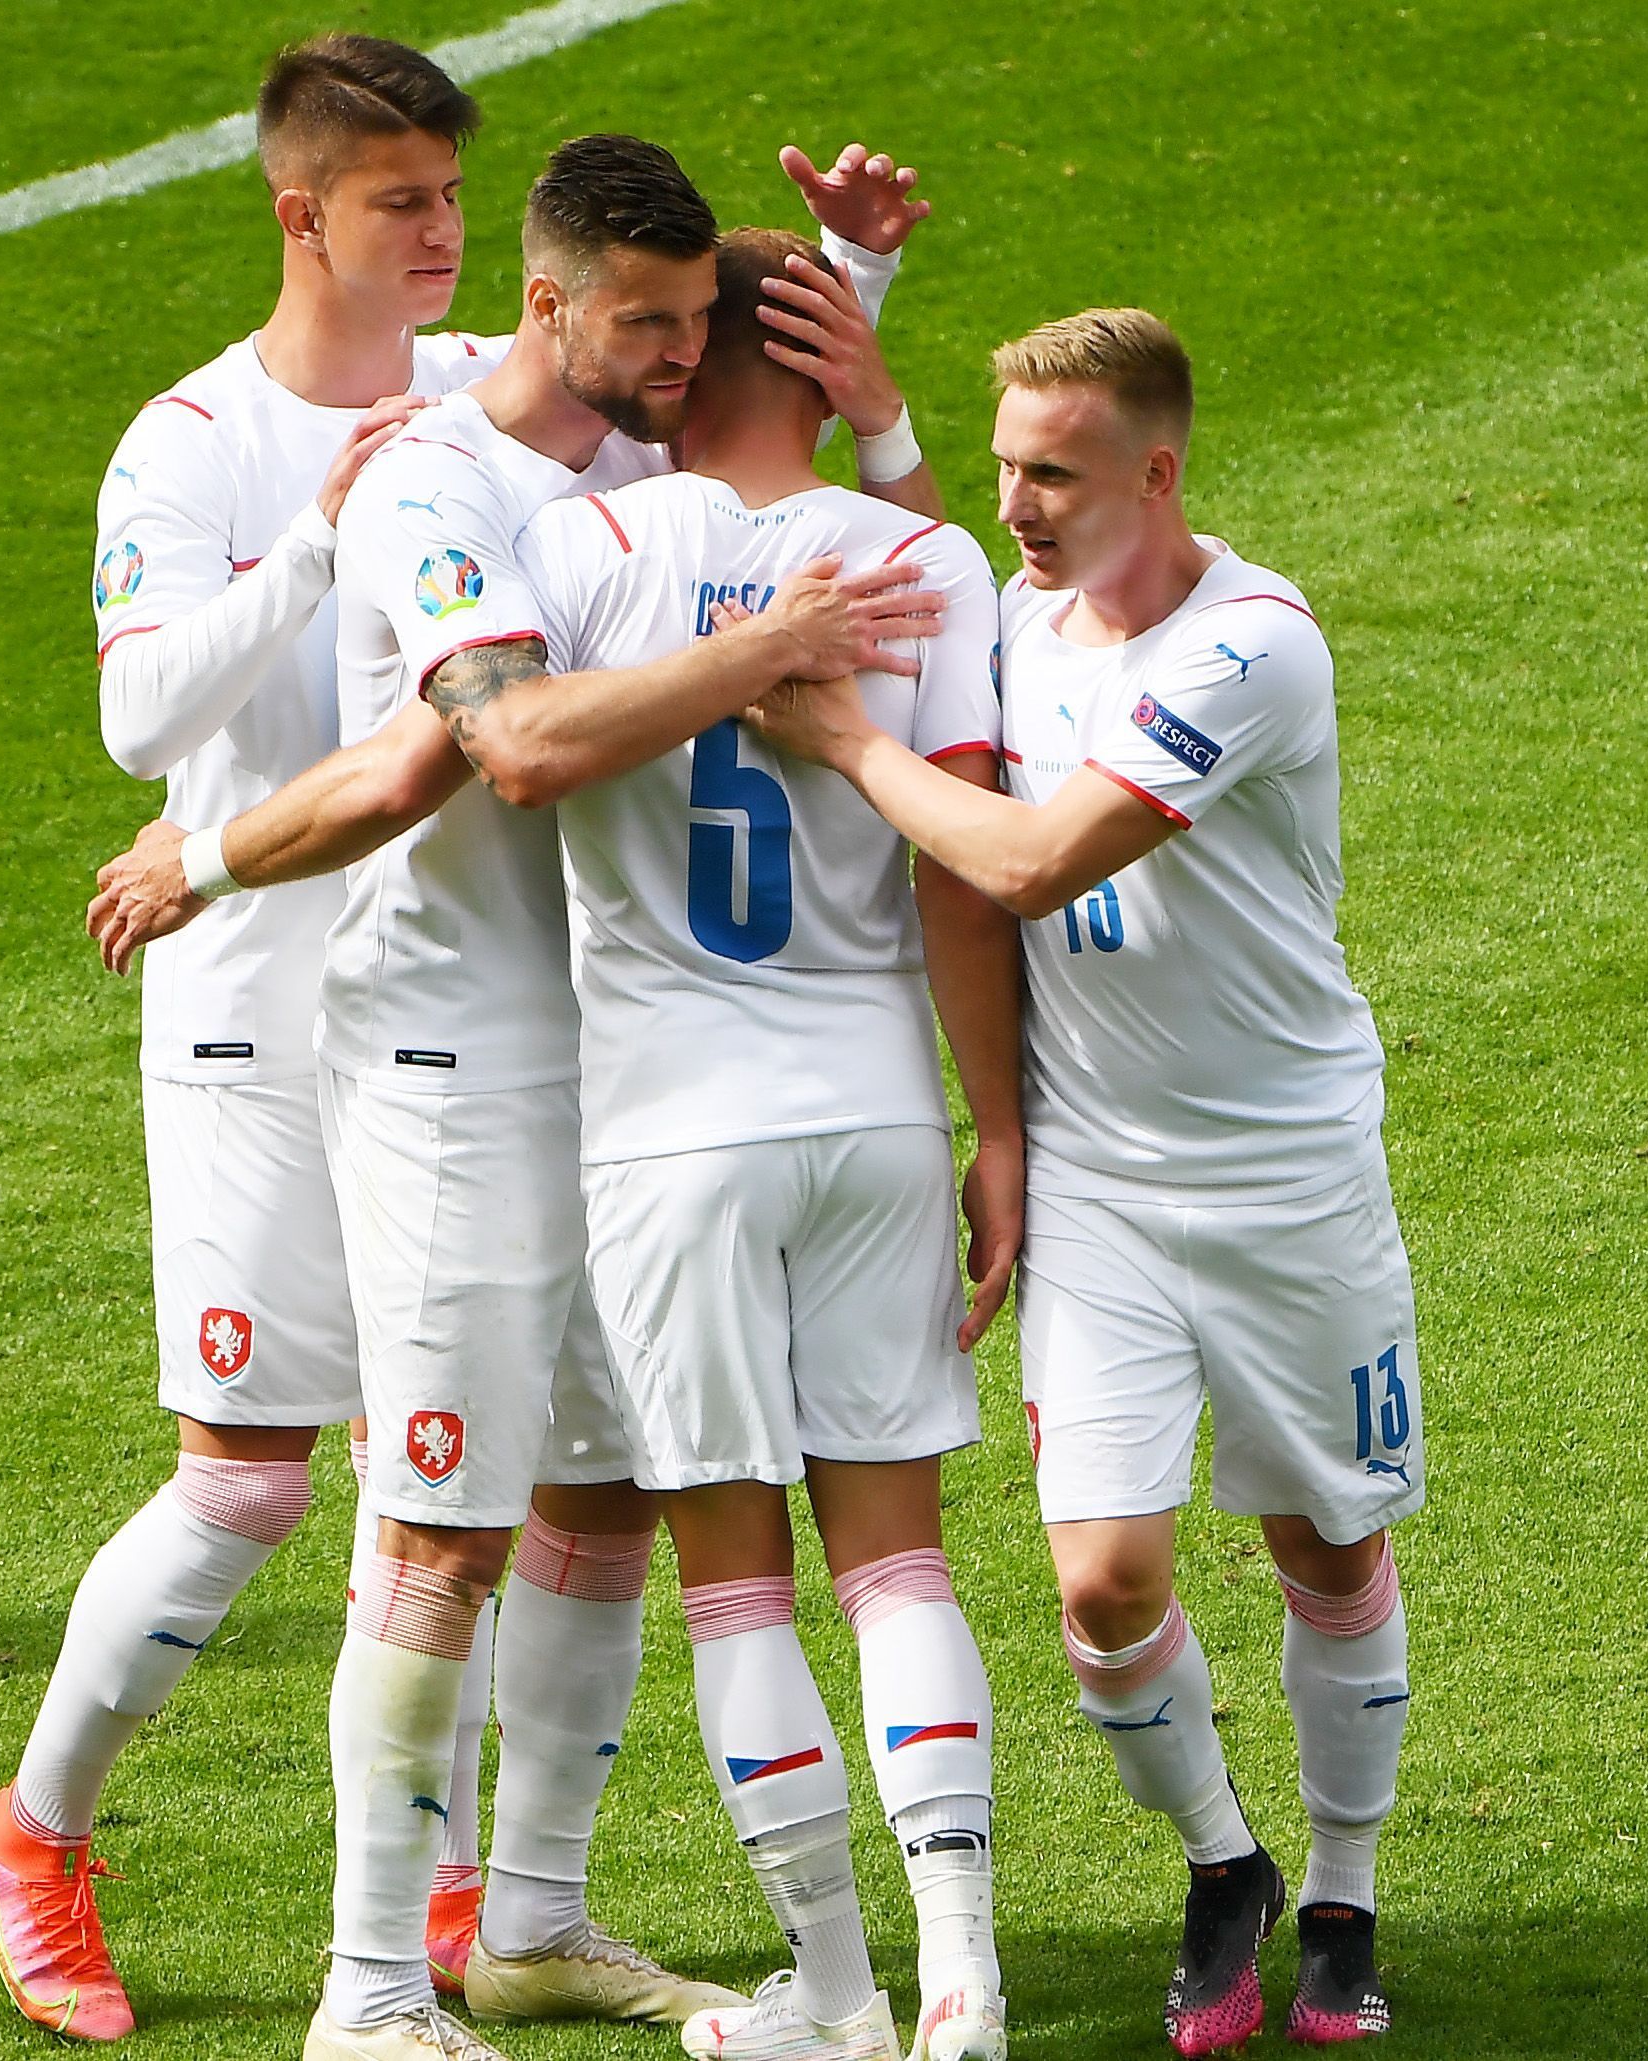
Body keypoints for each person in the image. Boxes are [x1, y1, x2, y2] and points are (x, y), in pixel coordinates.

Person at [0, 32, 923, 2043]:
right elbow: (481, 744)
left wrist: (844, 287)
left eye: (688, 329)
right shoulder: (396, 474)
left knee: (599, 1493)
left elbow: (711, 410)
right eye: (636, 324)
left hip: (620, 1060)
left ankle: (530, 1917)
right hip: (418, 1053)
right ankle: (361, 1982)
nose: (673, 353)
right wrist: (212, 846)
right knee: (388, 1506)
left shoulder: (603, 435)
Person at [744, 308, 1422, 2054]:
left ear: (1158, 470)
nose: (1020, 504)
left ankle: (1345, 1889)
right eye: (1007, 468)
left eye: (1055, 469)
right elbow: (944, 555)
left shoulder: (1252, 644)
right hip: (1106, 1192)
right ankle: (1227, 1862)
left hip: (1290, 1179)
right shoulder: (1025, 621)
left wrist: (854, 748)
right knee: (1104, 1581)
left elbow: (1036, 861)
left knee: (1325, 1544)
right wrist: (875, 376)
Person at [514, 225, 1019, 2061]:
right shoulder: (921, 555)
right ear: (827, 363)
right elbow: (969, 881)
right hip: (875, 1109)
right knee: (903, 1562)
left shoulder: (573, 547)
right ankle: (963, 1974)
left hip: (663, 1140)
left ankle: (837, 1990)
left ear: (688, 355)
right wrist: (1005, 1129)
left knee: (736, 1581)